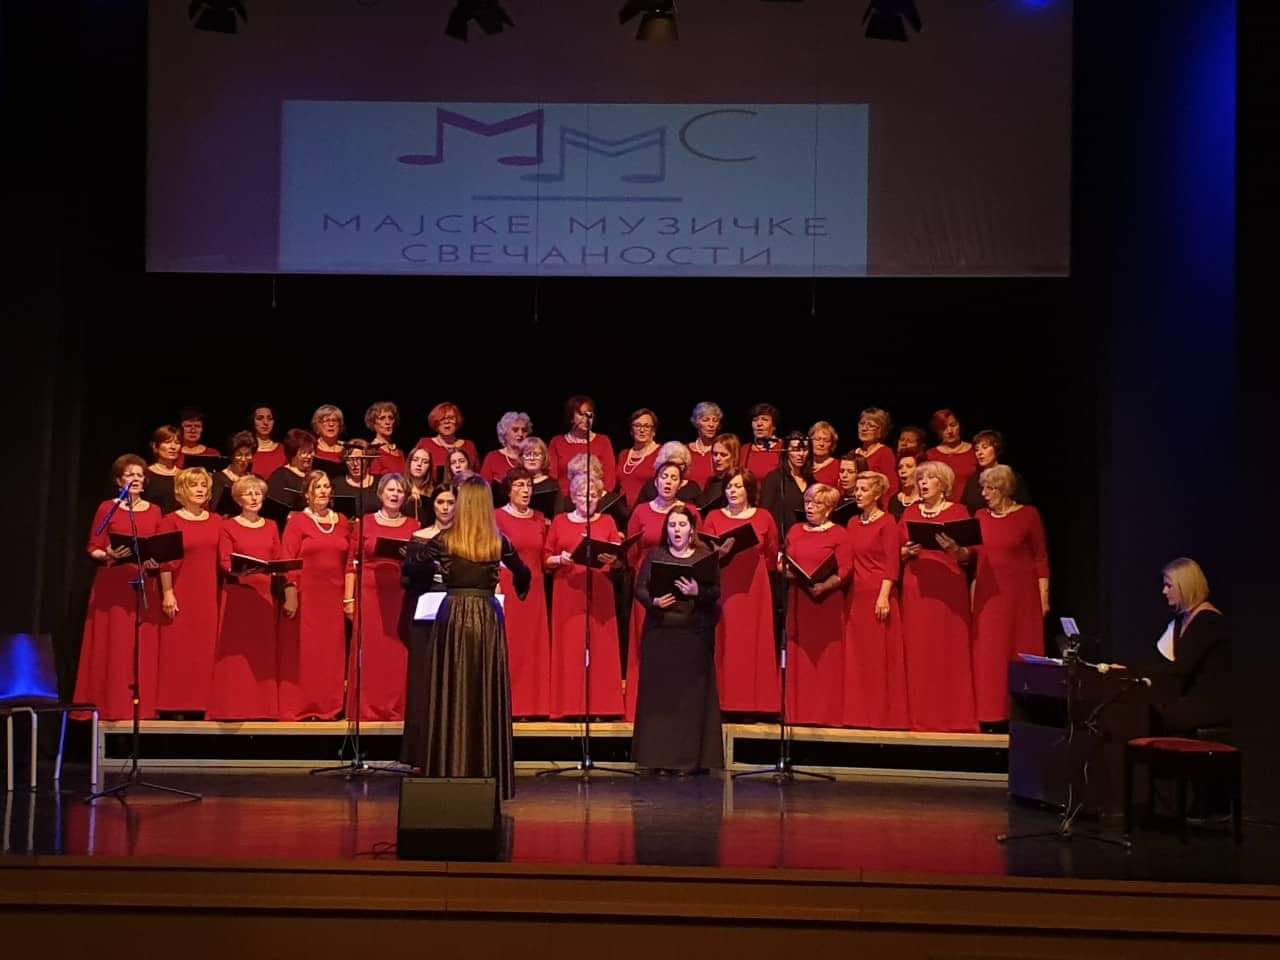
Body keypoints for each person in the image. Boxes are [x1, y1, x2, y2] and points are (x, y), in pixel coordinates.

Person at [401, 475, 531, 800]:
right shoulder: (498, 541)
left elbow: (411, 566)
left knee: (452, 690)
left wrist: (427, 566)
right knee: (483, 692)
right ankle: (486, 770)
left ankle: (449, 768)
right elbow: (524, 572)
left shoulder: (444, 540)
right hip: (486, 617)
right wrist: (520, 587)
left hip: (454, 615)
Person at [632, 505, 723, 775]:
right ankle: (659, 759)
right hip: (660, 634)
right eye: (672, 525)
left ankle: (687, 761)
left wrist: (697, 591)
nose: (677, 530)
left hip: (692, 636)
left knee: (689, 699)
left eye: (682, 525)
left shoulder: (704, 557)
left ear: (692, 529)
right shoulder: (655, 555)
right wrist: (654, 601)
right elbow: (640, 588)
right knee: (661, 699)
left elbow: (715, 591)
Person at [73, 454, 164, 720]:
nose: (135, 479)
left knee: (140, 646)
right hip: (113, 584)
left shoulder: (155, 511)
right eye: (129, 475)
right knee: (115, 645)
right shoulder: (107, 508)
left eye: (139, 475)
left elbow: (158, 545)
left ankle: (143, 709)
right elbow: (94, 546)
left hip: (143, 582)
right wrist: (109, 554)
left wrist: (155, 558)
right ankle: (110, 705)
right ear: (118, 480)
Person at [899, 460, 977, 732]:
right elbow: (895, 550)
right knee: (919, 651)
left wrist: (955, 549)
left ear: (943, 484)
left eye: (929, 478)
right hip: (917, 588)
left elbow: (969, 555)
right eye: (920, 478)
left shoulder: (958, 511)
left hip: (949, 588)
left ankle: (953, 716)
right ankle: (919, 716)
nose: (922, 483)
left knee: (948, 650)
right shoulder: (910, 512)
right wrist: (905, 552)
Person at [971, 465, 1049, 728]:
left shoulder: (1028, 515)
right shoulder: (980, 517)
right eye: (983, 488)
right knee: (990, 653)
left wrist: (1043, 597)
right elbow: (970, 555)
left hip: (1022, 597)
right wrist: (954, 549)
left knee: (1020, 651)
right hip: (989, 595)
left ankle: (1023, 716)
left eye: (990, 488)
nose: (984, 493)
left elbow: (1040, 558)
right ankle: (991, 715)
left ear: (1004, 489)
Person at [624, 460, 700, 721]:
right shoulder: (641, 511)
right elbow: (631, 553)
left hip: (681, 591)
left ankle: (675, 708)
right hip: (647, 589)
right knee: (643, 646)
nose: (668, 482)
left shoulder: (689, 512)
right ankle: (640, 708)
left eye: (674, 477)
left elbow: (697, 548)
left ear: (681, 483)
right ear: (655, 482)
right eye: (664, 477)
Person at [545, 472, 625, 718]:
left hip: (600, 588)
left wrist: (613, 559)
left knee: (602, 645)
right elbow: (546, 558)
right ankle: (568, 706)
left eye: (593, 494)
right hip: (568, 588)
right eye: (582, 494)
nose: (587, 499)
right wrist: (560, 558)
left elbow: (618, 557)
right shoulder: (560, 521)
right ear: (573, 496)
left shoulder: (608, 521)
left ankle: (604, 706)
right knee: (570, 646)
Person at [701, 468, 779, 714]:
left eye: (738, 486)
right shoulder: (714, 517)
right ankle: (724, 702)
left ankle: (756, 704)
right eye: (728, 487)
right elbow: (702, 552)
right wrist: (719, 554)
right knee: (727, 641)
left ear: (749, 490)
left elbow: (771, 553)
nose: (732, 491)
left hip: (755, 586)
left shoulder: (764, 517)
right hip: (724, 584)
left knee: (754, 641)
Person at [278, 470, 353, 721]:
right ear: (307, 493)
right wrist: (291, 593)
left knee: (330, 654)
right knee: (307, 653)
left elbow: (350, 561)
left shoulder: (342, 521)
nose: (323, 491)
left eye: (326, 486)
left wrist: (349, 597)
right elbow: (287, 558)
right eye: (317, 487)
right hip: (306, 597)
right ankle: (303, 706)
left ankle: (328, 707)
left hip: (334, 598)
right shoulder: (298, 521)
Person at [209, 475, 281, 720]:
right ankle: (234, 706)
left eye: (257, 493)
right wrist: (240, 569)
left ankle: (263, 708)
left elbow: (277, 558)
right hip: (239, 595)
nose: (254, 498)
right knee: (236, 653)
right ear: (238, 499)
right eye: (248, 494)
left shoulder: (271, 525)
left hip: (264, 595)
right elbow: (224, 560)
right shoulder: (228, 526)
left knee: (261, 652)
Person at [349, 473, 420, 720]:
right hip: (370, 594)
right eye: (390, 490)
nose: (395, 494)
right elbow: (351, 563)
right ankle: (367, 708)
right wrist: (348, 599)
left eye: (400, 491)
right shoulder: (365, 522)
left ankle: (397, 707)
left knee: (397, 652)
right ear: (380, 494)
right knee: (371, 652)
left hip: (400, 595)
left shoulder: (413, 526)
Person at [780, 483, 851, 727]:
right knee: (800, 657)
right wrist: (786, 571)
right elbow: (783, 560)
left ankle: (826, 714)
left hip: (826, 602)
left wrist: (824, 585)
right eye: (808, 502)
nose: (810, 507)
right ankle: (798, 713)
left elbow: (845, 569)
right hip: (799, 599)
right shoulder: (795, 530)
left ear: (829, 508)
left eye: (817, 503)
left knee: (826, 659)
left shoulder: (839, 534)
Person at [842, 472, 909, 729]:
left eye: (864, 489)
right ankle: (858, 715)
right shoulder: (852, 523)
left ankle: (881, 715)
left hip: (878, 594)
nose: (858, 494)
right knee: (858, 657)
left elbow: (892, 563)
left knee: (878, 657)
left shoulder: (888, 522)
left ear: (877, 494)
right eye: (857, 489)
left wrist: (884, 596)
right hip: (855, 596)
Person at [156, 467, 223, 716]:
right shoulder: (170, 521)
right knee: (179, 649)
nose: (199, 489)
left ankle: (204, 704)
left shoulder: (217, 521)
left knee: (206, 649)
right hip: (182, 590)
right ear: (181, 490)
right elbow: (165, 561)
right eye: (193, 485)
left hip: (210, 594)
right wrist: (168, 592)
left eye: (204, 485)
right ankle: (175, 705)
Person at [399, 483, 457, 764]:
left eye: (450, 502)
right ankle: (420, 750)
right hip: (425, 609)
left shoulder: (464, 537)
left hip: (457, 607)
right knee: (423, 676)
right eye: (440, 502)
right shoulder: (419, 537)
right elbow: (406, 579)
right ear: (433, 505)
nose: (445, 507)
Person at [1142, 558, 1230, 733]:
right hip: (1190, 699)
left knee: (1149, 715)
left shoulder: (1208, 620)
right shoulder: (1181, 620)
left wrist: (1137, 675)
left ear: (1185, 586)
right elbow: (1163, 663)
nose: (1164, 591)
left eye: (1169, 586)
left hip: (1209, 703)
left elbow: (1181, 668)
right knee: (1141, 707)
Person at [495, 468, 552, 718]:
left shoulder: (540, 518)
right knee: (512, 644)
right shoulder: (497, 517)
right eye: (519, 485)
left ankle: (535, 705)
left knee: (533, 646)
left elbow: (545, 554)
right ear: (508, 490)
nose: (525, 490)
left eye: (528, 485)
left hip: (535, 589)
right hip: (509, 586)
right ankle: (511, 704)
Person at [549, 395, 616, 496]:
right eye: (581, 414)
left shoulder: (603, 441)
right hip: (564, 499)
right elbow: (552, 475)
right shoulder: (557, 442)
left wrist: (598, 496)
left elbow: (610, 477)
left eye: (589, 414)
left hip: (595, 498)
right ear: (571, 417)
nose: (586, 418)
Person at [961, 429, 1032, 513]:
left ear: (997, 450)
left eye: (984, 447)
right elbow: (966, 507)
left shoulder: (1011, 477)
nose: (979, 453)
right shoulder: (973, 480)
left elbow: (1023, 506)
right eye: (976, 449)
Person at [414, 401, 481, 476]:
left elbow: (477, 475)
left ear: (457, 421)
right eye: (442, 419)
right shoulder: (425, 444)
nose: (446, 421)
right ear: (435, 422)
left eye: (451, 418)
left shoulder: (469, 446)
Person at [927, 408, 979, 499]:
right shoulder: (930, 455)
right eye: (943, 427)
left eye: (953, 425)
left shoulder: (975, 451)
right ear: (937, 431)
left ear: (960, 425)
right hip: (942, 505)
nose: (950, 431)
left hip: (972, 504)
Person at [618, 408, 663, 510]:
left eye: (647, 426)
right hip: (623, 513)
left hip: (648, 510)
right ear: (631, 430)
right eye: (637, 425)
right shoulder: (623, 454)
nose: (642, 430)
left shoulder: (661, 453)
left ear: (653, 431)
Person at [854, 408, 900, 502]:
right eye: (862, 424)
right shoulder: (853, 453)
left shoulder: (885, 453)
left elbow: (892, 486)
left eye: (871, 426)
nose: (864, 429)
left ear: (880, 431)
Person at [266, 428, 316, 512]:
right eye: (304, 452)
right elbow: (276, 510)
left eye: (311, 452)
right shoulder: (280, 477)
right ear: (293, 453)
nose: (309, 456)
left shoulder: (315, 475)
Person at [211, 430, 256, 515]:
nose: (243, 459)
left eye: (247, 455)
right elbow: (215, 509)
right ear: (232, 455)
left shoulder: (256, 480)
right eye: (239, 455)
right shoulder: (218, 478)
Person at [480, 411, 532, 485]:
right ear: (504, 433)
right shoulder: (492, 457)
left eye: (524, 430)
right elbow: (483, 488)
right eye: (515, 430)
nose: (520, 434)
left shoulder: (532, 457)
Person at [334, 439, 380, 516]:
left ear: (367, 460)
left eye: (359, 458)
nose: (355, 464)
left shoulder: (380, 484)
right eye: (350, 459)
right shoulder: (337, 484)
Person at [145, 424, 182, 514]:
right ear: (155, 446)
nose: (173, 447)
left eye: (177, 443)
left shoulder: (184, 475)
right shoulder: (145, 474)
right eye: (167, 442)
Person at [686, 402, 724, 488]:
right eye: (705, 420)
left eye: (715, 420)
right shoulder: (685, 451)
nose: (711, 425)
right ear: (696, 422)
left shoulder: (723, 452)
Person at [365, 401, 407, 477]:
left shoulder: (400, 453)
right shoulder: (372, 451)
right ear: (373, 423)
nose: (388, 422)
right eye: (382, 418)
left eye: (391, 418)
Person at [742, 402, 782, 477]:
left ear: (774, 426)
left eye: (765, 419)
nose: (759, 424)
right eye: (755, 420)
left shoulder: (783, 447)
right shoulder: (744, 449)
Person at [250, 404, 289, 477]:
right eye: (260, 418)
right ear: (252, 421)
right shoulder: (246, 451)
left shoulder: (284, 450)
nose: (265, 422)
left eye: (270, 419)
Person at [401, 446, 436, 525]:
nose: (419, 464)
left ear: (429, 467)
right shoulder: (399, 488)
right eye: (415, 460)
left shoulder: (434, 493)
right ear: (409, 463)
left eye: (425, 462)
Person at [808, 421, 840, 487]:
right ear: (810, 441)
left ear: (832, 444)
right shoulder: (803, 464)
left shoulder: (839, 467)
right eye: (817, 439)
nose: (821, 444)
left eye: (826, 440)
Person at [890, 453, 921, 519]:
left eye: (909, 466)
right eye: (900, 467)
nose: (903, 471)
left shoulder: (926, 500)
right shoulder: (894, 500)